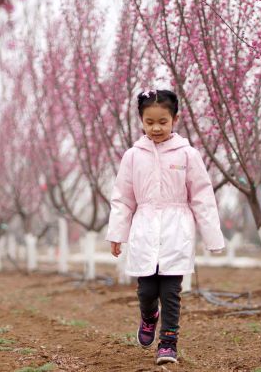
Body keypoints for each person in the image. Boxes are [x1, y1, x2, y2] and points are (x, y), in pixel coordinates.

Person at [107, 89, 224, 365]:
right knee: (147, 292)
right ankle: (149, 318)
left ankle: (168, 342)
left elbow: (202, 197)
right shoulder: (133, 156)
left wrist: (212, 237)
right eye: (150, 122)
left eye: (163, 121)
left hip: (176, 233)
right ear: (141, 121)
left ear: (175, 119)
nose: (156, 127)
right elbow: (123, 198)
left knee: (171, 293)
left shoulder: (187, 154)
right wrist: (117, 233)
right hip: (145, 232)